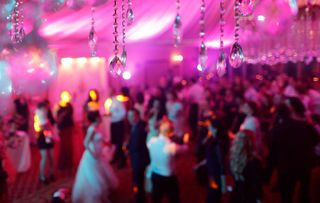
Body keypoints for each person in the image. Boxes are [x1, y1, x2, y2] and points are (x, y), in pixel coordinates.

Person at [266, 97, 319, 203]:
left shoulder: (278, 129)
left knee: (287, 195)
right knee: (304, 194)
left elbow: (272, 153)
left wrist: (267, 173)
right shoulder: (306, 125)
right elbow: (315, 140)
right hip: (304, 164)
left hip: (287, 165)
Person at [72, 111, 118, 203]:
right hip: (92, 155)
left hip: (99, 153)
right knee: (94, 176)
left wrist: (108, 144)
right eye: (99, 116)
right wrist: (93, 154)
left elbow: (100, 139)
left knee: (101, 173)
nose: (101, 117)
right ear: (96, 118)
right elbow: (85, 143)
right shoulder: (92, 129)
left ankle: (103, 195)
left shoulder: (97, 127)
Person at [147, 119, 188, 203]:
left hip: (155, 173)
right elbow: (185, 149)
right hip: (168, 176)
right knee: (174, 198)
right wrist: (186, 141)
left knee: (156, 198)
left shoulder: (151, 141)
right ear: (171, 132)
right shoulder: (171, 146)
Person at [230, 130, 263, 203]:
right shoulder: (254, 162)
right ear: (251, 142)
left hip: (236, 196)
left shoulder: (233, 158)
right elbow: (256, 184)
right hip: (249, 197)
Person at [127, 109, 150, 203]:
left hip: (139, 159)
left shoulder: (140, 127)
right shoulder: (136, 125)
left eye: (132, 116)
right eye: (128, 116)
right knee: (138, 181)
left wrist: (128, 149)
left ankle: (140, 200)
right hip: (136, 158)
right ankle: (138, 197)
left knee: (139, 181)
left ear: (137, 116)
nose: (129, 118)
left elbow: (136, 145)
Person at [35, 101, 55, 183]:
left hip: (48, 135)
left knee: (51, 156)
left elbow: (49, 128)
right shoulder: (38, 117)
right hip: (42, 137)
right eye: (45, 108)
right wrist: (44, 128)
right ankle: (42, 176)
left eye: (47, 108)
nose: (46, 109)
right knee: (44, 157)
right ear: (41, 108)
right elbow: (39, 129)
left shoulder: (46, 118)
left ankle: (51, 173)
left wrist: (48, 129)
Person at [108, 90, 127, 169]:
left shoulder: (118, 102)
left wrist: (114, 115)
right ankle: (117, 157)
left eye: (109, 91)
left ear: (112, 92)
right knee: (115, 142)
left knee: (119, 143)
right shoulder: (111, 102)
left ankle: (122, 160)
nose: (108, 93)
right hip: (113, 124)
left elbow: (123, 112)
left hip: (118, 124)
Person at [56, 91, 74, 170]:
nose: (68, 97)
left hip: (69, 127)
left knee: (69, 145)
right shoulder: (58, 106)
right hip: (62, 128)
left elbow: (71, 116)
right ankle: (62, 164)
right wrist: (62, 115)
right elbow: (57, 120)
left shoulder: (70, 105)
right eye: (66, 96)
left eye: (68, 96)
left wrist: (74, 126)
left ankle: (69, 163)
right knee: (64, 146)